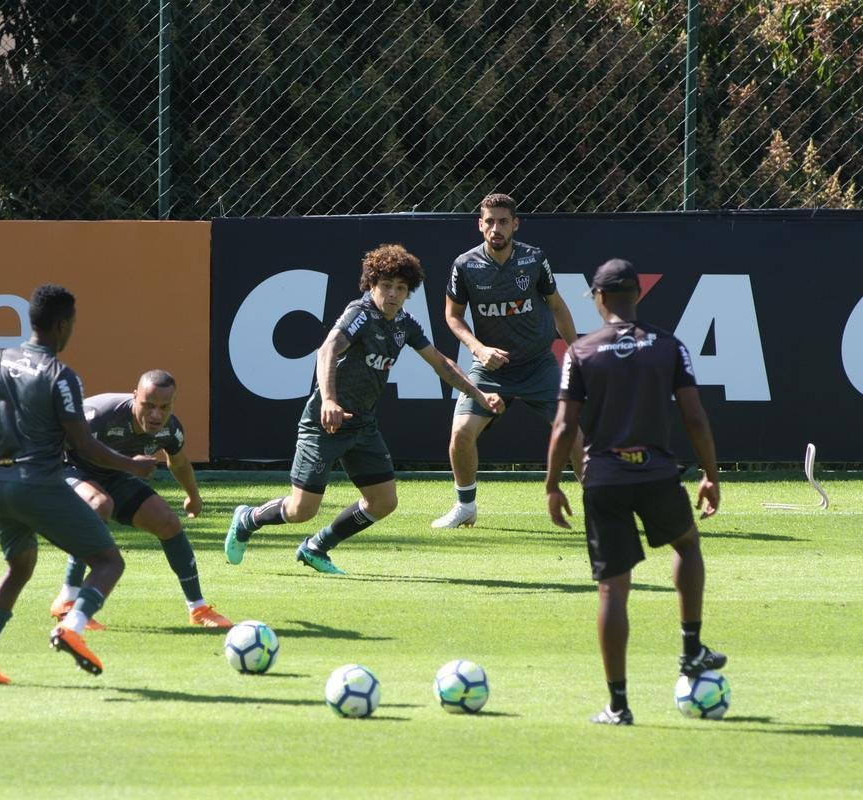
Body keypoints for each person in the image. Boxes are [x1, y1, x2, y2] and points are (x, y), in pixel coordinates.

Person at [224, 243, 504, 575]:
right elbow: (327, 351)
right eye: (386, 285)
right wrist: (328, 400)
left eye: (401, 288)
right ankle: (247, 518)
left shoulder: (404, 323)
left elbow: (441, 364)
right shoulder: (361, 314)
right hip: (324, 423)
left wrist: (478, 394)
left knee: (384, 502)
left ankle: (317, 547)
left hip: (362, 425)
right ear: (371, 285)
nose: (394, 293)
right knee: (301, 510)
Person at [544, 258, 726, 725]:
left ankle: (619, 705)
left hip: (603, 478)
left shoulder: (581, 352)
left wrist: (552, 485)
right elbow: (695, 416)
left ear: (599, 298)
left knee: (613, 589)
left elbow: (565, 427)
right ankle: (690, 649)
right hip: (657, 474)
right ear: (637, 296)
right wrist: (710, 473)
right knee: (686, 543)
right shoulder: (669, 347)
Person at [0, 284, 156, 684]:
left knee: (19, 567)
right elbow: (84, 444)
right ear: (62, 325)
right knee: (109, 562)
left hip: (1, 486)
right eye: (73, 324)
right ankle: (73, 626)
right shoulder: (62, 377)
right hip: (40, 485)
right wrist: (130, 466)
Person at [432, 193, 581, 529]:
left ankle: (602, 508)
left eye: (502, 221)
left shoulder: (533, 259)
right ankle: (465, 506)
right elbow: (452, 316)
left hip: (538, 365)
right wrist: (478, 348)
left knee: (572, 431)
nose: (495, 228)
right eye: (489, 221)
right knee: (460, 433)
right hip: (490, 368)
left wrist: (576, 350)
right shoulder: (464, 265)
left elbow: (556, 306)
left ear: (515, 224)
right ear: (479, 224)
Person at [48, 370, 234, 629]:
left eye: (164, 407)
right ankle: (67, 600)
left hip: (114, 475)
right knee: (98, 504)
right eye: (148, 405)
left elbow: (178, 462)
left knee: (167, 522)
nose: (156, 415)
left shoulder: (170, 428)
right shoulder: (101, 415)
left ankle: (198, 608)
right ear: (135, 397)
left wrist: (193, 496)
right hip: (67, 469)